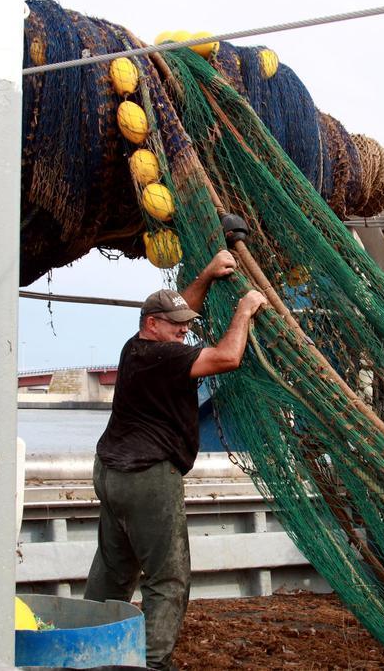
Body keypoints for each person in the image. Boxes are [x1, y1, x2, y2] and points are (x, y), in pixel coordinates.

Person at [84, 249, 266, 671]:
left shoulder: (136, 348)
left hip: (110, 472)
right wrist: (245, 308)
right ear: (152, 324)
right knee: (167, 580)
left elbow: (180, 309)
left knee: (113, 571)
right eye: (177, 327)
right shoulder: (167, 358)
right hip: (147, 477)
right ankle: (151, 663)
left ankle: (87, 651)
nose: (185, 333)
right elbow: (227, 357)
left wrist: (205, 276)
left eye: (187, 326)